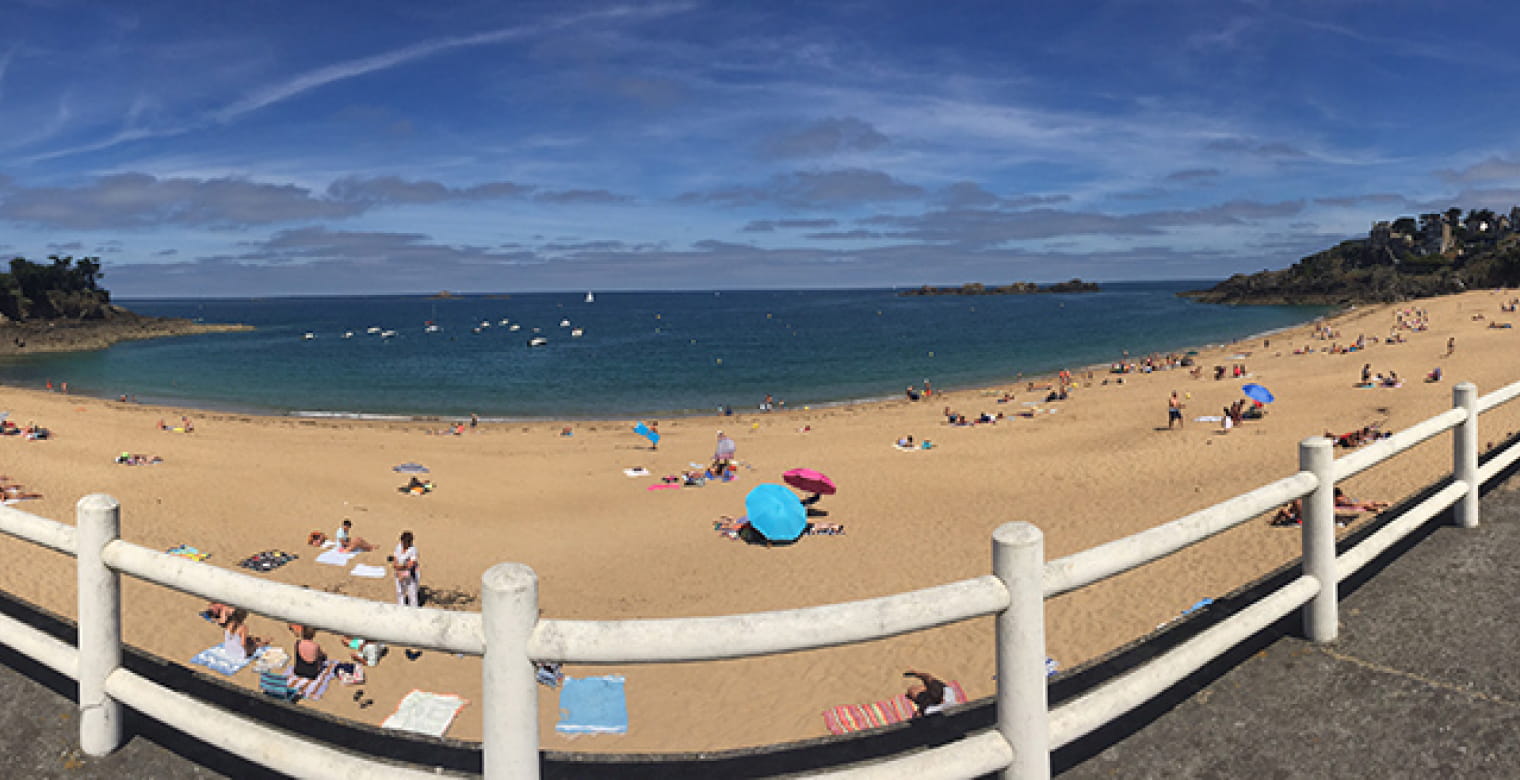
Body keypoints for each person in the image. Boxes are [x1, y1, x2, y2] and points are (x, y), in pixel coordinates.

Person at [392, 531, 419, 607]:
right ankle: (401, 607)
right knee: (400, 592)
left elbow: (411, 564)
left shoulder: (413, 550)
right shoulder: (398, 547)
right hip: (399, 572)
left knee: (412, 594)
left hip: (410, 574)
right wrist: (396, 565)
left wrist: (400, 567)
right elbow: (395, 557)